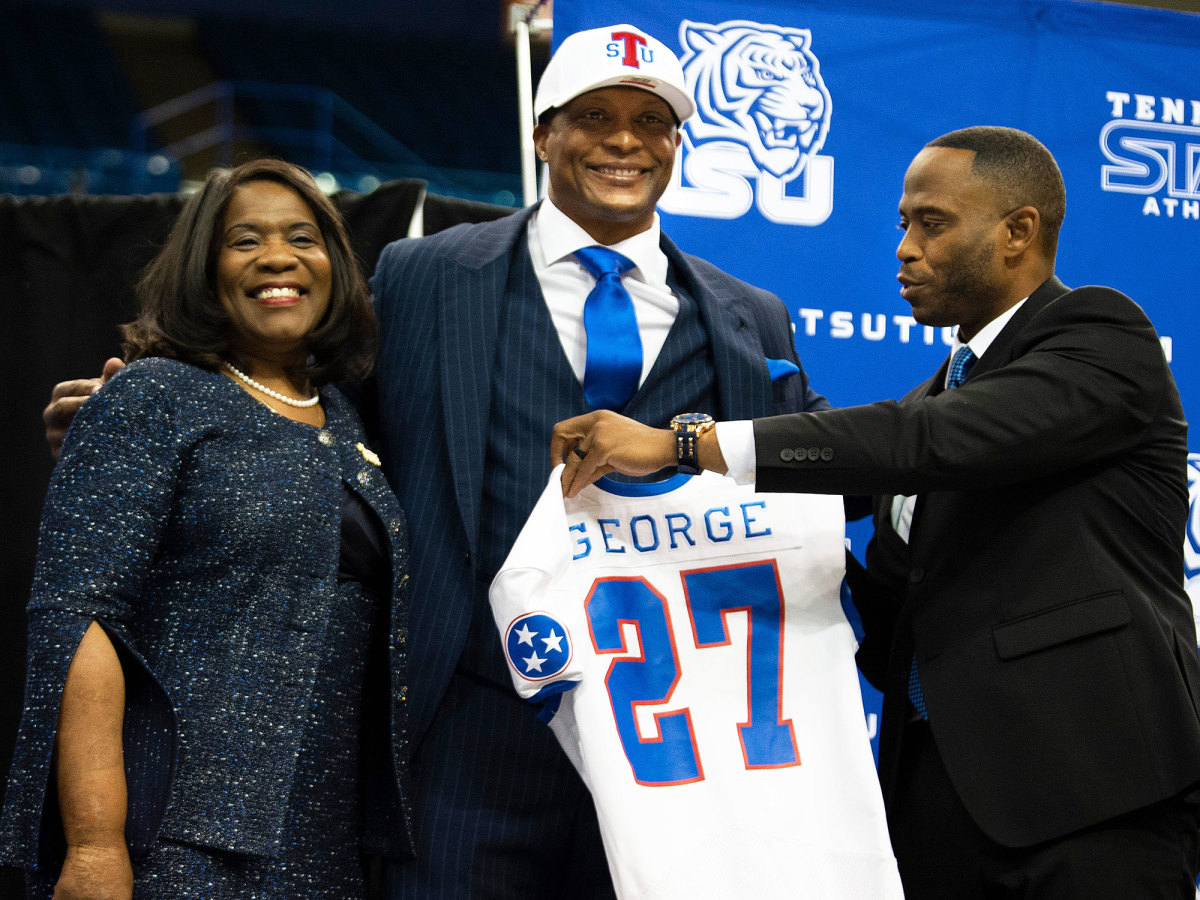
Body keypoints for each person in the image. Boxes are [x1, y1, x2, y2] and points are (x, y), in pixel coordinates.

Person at [41, 24, 828, 899]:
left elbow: (813, 475)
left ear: (677, 144)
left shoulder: (752, 316)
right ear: (543, 133)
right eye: (596, 115)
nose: (624, 141)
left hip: (672, 747)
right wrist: (156, 411)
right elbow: (312, 409)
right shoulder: (421, 277)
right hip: (468, 734)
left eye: (653, 122)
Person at [551, 126, 1200, 898]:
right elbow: (890, 594)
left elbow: (925, 442)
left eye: (932, 222)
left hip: (1094, 799)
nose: (904, 247)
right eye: (902, 223)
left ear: (1018, 231)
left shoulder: (1101, 337)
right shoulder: (935, 398)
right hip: (937, 811)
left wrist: (681, 445)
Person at [5, 158, 413, 899]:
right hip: (172, 837)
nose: (278, 258)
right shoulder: (152, 395)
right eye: (243, 240)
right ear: (203, 266)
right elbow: (78, 620)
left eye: (302, 237)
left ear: (335, 265)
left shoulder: (347, 417)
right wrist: (95, 845)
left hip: (326, 845)